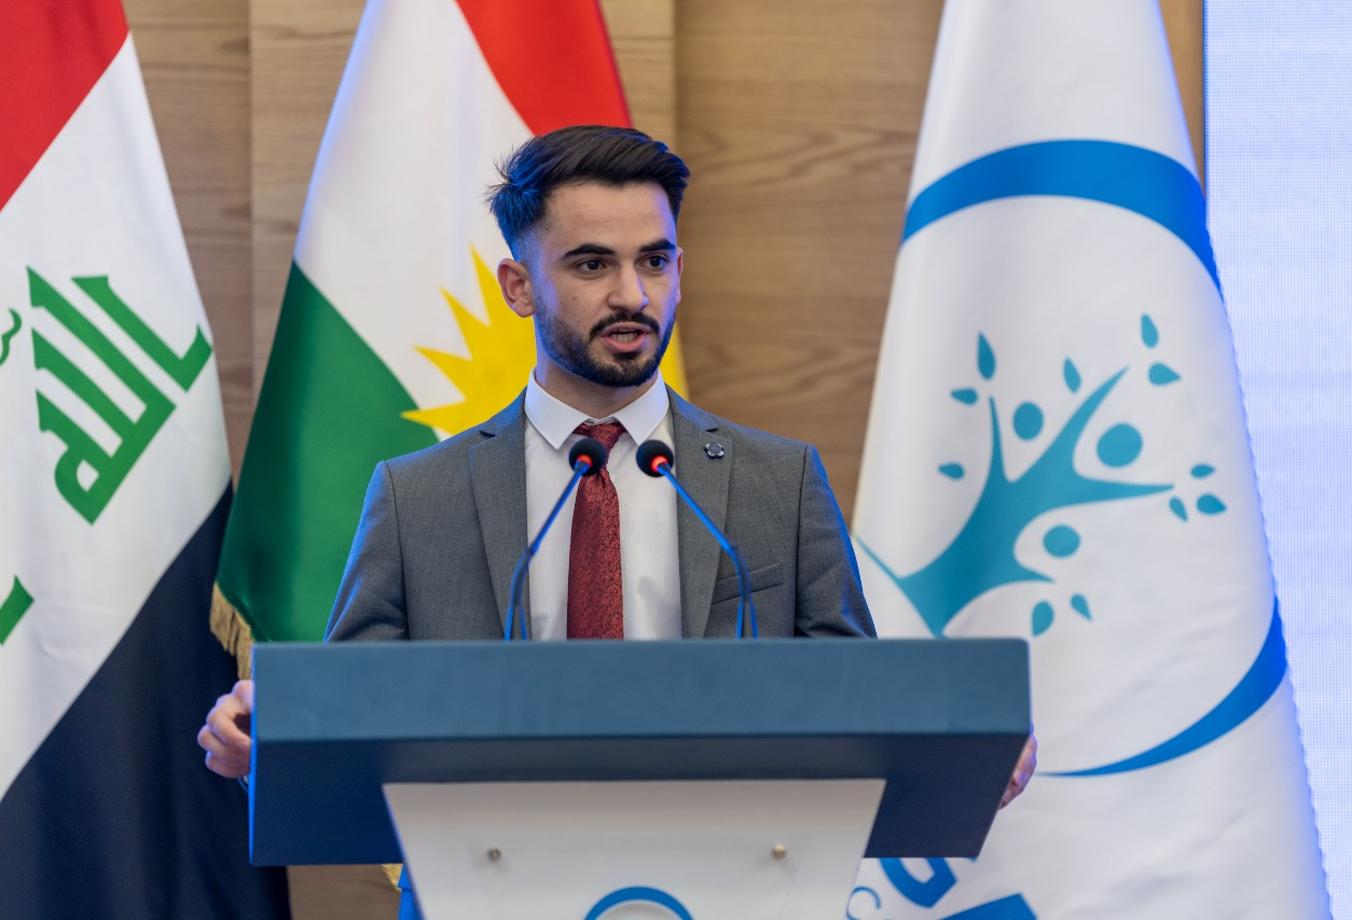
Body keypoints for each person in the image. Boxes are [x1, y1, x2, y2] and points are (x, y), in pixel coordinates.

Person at [197, 125, 1036, 914]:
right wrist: (264, 742)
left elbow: (858, 711)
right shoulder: (420, 498)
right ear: (518, 287)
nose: (633, 295)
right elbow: (353, 728)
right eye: (592, 264)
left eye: (655, 261)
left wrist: (963, 750)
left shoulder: (779, 483)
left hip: (732, 896)